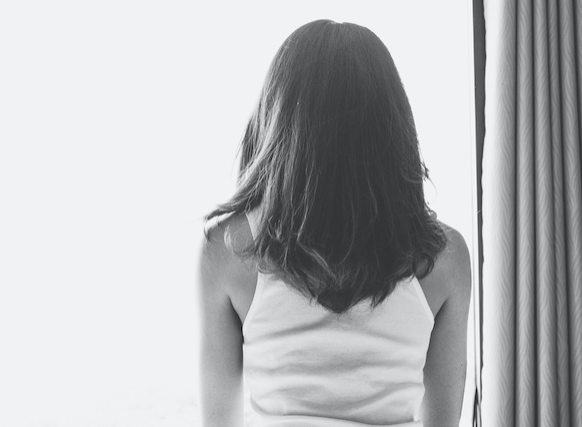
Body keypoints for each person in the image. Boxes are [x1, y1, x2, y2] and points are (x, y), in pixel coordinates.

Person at [197, 19, 472, 427]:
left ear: (277, 125)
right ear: (393, 129)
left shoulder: (229, 249)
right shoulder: (443, 259)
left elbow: (218, 422)